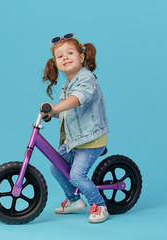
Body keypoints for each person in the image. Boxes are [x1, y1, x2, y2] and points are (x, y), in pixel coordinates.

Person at [40, 33, 109, 223]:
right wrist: (51, 113)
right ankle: (74, 200)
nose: (65, 58)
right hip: (74, 140)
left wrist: (55, 107)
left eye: (70, 53)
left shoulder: (86, 79)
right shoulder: (67, 86)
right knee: (56, 168)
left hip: (90, 139)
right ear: (55, 63)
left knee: (77, 175)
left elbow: (78, 99)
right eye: (60, 56)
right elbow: (67, 112)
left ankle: (100, 205)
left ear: (82, 57)